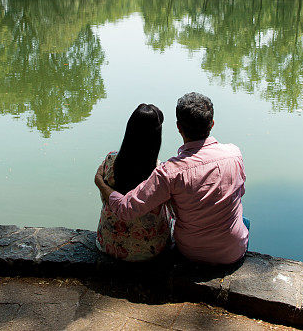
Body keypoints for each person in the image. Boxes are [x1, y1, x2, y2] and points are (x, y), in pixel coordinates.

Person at [95, 93, 248, 265]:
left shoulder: (169, 172)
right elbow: (239, 193)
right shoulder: (234, 155)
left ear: (178, 127)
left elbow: (126, 209)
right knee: (243, 220)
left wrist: (100, 183)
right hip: (233, 252)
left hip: (191, 252)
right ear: (211, 124)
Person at [95, 104, 172, 262]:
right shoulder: (162, 172)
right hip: (152, 249)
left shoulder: (110, 161)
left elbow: (105, 199)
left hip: (110, 244)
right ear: (156, 138)